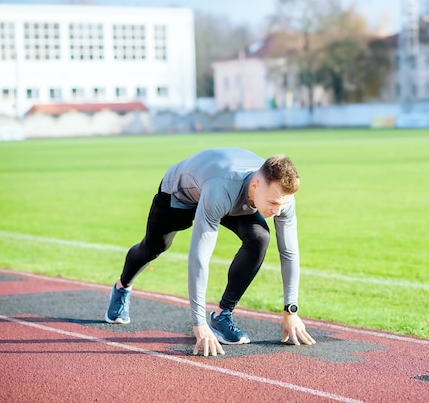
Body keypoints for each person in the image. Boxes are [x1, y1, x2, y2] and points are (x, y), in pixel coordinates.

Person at [105, 147, 316, 356]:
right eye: (273, 203)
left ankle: (222, 314)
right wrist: (199, 324)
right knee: (154, 247)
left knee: (259, 238)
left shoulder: (281, 197)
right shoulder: (221, 190)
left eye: (283, 203)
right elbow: (199, 257)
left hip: (229, 196)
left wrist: (291, 309)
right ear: (255, 184)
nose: (278, 211)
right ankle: (122, 286)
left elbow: (289, 253)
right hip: (179, 194)